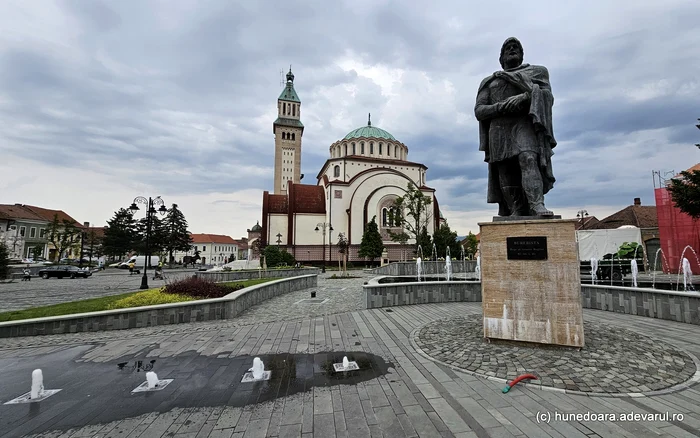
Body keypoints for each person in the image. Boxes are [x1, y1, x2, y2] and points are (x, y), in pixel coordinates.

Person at [474, 37, 557, 217]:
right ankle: (515, 209)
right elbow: (479, 110)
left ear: (522, 54)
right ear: (501, 58)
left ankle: (536, 205)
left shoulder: (537, 72)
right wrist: (501, 106)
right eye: (508, 48)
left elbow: (547, 97)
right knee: (505, 169)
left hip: (524, 124)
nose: (512, 49)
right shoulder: (491, 81)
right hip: (499, 128)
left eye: (516, 47)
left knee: (528, 158)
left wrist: (526, 97)